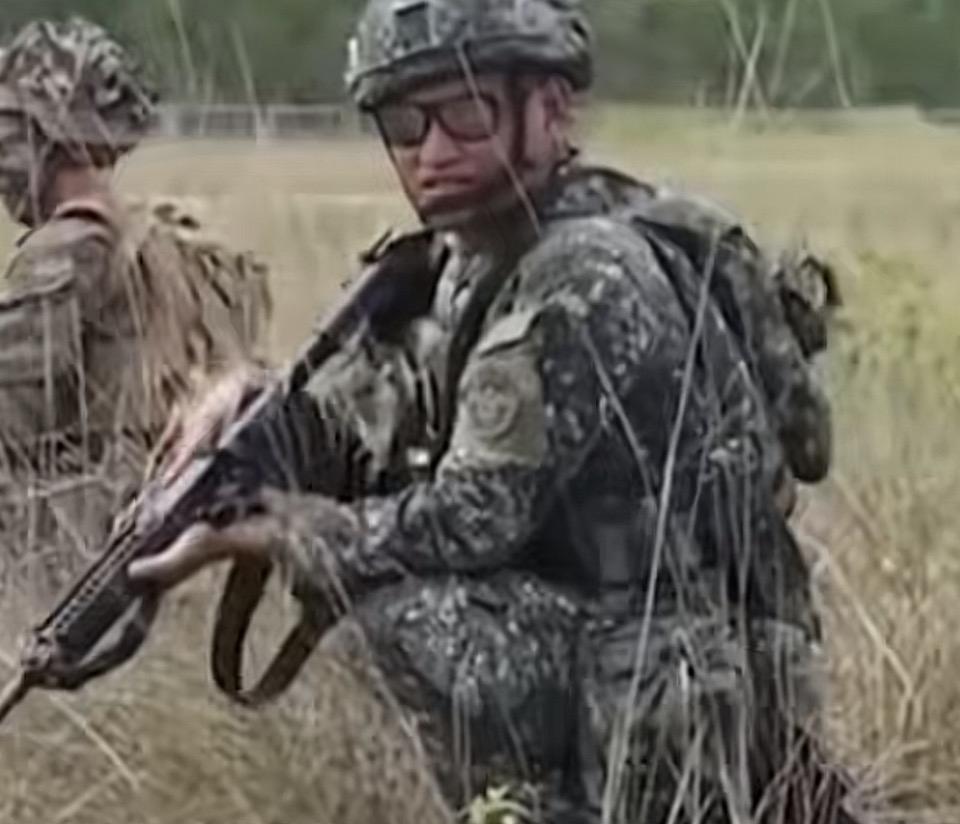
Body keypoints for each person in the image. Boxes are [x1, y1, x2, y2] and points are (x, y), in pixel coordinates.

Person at [129, 1, 851, 821]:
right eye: (405, 124)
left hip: (679, 664)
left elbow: (471, 519)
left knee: (397, 610)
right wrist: (254, 403)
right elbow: (380, 414)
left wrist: (286, 530)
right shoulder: (476, 254)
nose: (433, 151)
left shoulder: (583, 272)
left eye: (468, 113)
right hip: (624, 635)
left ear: (551, 110)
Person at [0, 17, 272, 592]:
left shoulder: (65, 252)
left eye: (9, 133)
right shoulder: (173, 245)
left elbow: (10, 421)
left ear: (50, 135)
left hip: (93, 542)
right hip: (182, 524)